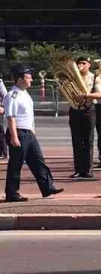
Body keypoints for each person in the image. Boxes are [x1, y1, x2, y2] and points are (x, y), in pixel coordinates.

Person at [4, 66, 62, 203]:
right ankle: (12, 193)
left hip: (28, 133)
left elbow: (29, 115)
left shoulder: (25, 93)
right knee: (16, 164)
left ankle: (47, 187)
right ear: (19, 79)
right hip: (18, 132)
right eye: (28, 77)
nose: (31, 80)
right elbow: (10, 117)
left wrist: (32, 131)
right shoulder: (13, 95)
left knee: (38, 161)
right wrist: (14, 136)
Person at [68, 56, 101, 179]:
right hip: (75, 109)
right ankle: (78, 169)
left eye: (84, 63)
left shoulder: (94, 77)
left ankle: (88, 169)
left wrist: (86, 95)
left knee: (88, 140)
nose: (81, 65)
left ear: (89, 65)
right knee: (76, 141)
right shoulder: (72, 78)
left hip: (88, 110)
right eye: (79, 63)